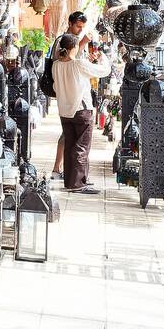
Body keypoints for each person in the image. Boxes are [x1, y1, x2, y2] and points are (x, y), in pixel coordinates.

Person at [52, 33, 111, 193]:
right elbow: (104, 71)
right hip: (81, 110)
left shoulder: (56, 65)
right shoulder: (78, 64)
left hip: (64, 111)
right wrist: (102, 56)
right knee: (81, 146)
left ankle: (71, 182)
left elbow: (56, 88)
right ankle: (77, 184)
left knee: (70, 145)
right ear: (75, 47)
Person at [46, 11, 88, 179]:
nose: (80, 29)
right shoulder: (63, 41)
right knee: (67, 132)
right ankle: (58, 169)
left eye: (82, 27)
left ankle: (63, 169)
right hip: (67, 91)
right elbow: (65, 61)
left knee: (69, 132)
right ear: (70, 23)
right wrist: (82, 45)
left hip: (74, 90)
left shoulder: (76, 40)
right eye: (78, 26)